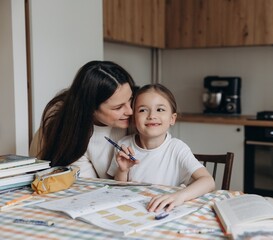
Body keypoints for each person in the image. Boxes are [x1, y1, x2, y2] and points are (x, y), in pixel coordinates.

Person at [107, 83, 215, 212]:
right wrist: (123, 171)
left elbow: (208, 181)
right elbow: (118, 190)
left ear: (172, 119)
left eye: (160, 109)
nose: (152, 115)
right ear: (134, 118)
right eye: (142, 110)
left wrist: (178, 196)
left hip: (163, 211)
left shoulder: (177, 148)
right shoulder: (124, 145)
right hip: (133, 211)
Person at [29, 60, 136, 179]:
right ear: (91, 109)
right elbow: (92, 189)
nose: (130, 111)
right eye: (118, 107)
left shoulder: (141, 111)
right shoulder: (71, 138)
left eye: (130, 99)